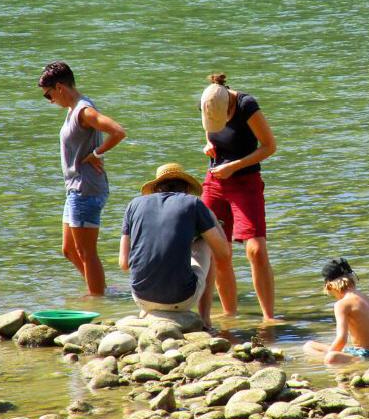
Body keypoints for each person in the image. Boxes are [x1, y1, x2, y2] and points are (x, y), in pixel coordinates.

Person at [38, 61, 126, 296]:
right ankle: (100, 289)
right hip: (75, 188)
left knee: (87, 252)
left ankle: (97, 299)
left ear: (59, 87)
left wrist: (97, 153)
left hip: (86, 188)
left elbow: (118, 131)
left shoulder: (83, 111)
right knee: (69, 250)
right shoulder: (73, 109)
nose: (50, 101)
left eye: (48, 95)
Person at [199, 73, 277, 321]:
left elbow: (269, 146)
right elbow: (209, 131)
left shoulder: (246, 105)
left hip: (245, 182)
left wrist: (234, 166)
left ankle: (269, 317)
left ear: (229, 104)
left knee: (256, 250)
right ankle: (229, 315)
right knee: (218, 251)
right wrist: (208, 145)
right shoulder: (208, 100)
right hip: (215, 181)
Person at [119, 163, 230, 329]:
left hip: (141, 297)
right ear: (187, 188)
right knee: (207, 243)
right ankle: (205, 320)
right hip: (181, 299)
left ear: (156, 188)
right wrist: (212, 217)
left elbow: (124, 264)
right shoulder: (193, 203)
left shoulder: (133, 205)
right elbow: (224, 253)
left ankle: (149, 311)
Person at [304, 258, 369, 364]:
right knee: (309, 345)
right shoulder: (363, 296)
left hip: (367, 355)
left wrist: (329, 354)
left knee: (330, 357)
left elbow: (341, 340)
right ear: (352, 278)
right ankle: (341, 359)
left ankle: (360, 362)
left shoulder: (342, 304)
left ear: (330, 286)